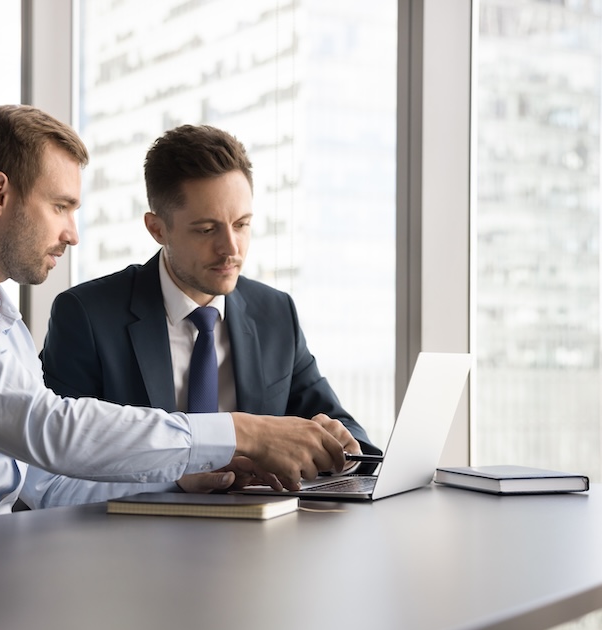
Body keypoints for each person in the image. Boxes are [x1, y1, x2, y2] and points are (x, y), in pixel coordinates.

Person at [0, 106, 350, 536]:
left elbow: (46, 478)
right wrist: (238, 432)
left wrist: (183, 478)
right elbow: (48, 429)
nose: (72, 233)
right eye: (61, 207)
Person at [30, 124, 380, 508]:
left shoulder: (275, 313)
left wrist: (341, 447)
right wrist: (175, 478)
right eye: (207, 229)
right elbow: (54, 470)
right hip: (133, 544)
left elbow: (346, 431)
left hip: (259, 546)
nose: (230, 248)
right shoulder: (87, 316)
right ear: (157, 228)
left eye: (242, 224)